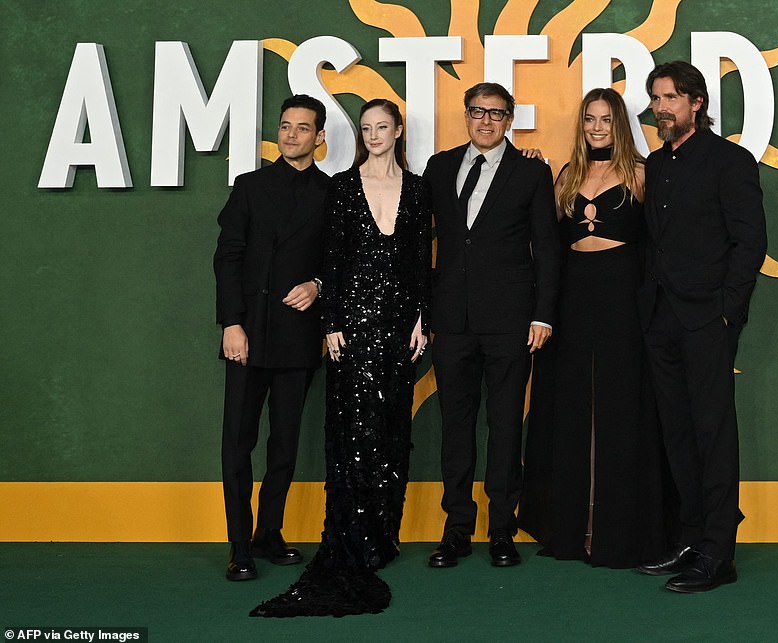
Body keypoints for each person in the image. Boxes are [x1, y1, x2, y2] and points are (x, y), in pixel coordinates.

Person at [251, 98, 432, 617]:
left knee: (391, 431)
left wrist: (422, 318)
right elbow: (330, 258)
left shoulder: (419, 189)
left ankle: (381, 538)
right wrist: (329, 322)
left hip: (400, 328)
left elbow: (421, 260)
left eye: (382, 127)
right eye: (366, 128)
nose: (373, 135)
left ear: (398, 131)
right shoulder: (342, 188)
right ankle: (351, 538)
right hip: (350, 328)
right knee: (352, 434)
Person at [519, 88, 666, 568]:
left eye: (606, 119)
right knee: (571, 407)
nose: (597, 127)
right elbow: (548, 241)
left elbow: (658, 246)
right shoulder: (567, 175)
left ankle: (617, 534)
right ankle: (571, 530)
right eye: (589, 119)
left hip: (624, 298)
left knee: (622, 409)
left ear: (619, 123)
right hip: (573, 299)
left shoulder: (643, 174)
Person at [635, 61, 767, 592]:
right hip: (662, 317)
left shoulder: (731, 161)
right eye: (655, 99)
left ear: (696, 102)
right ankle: (691, 539)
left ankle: (719, 553)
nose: (661, 108)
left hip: (707, 318)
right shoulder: (656, 163)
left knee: (713, 432)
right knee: (678, 430)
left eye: (670, 98)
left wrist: (727, 310)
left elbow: (749, 241)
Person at [422, 82, 561, 568]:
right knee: (455, 428)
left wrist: (543, 313)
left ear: (510, 119)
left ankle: (502, 529)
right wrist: (423, 313)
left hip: (511, 323)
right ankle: (456, 529)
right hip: (451, 323)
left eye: (496, 114)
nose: (486, 121)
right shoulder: (439, 168)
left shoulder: (532, 172)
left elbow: (546, 249)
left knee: (504, 428)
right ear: (466, 115)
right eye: (478, 112)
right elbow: (421, 248)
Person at [213, 94, 329, 582]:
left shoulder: (334, 193)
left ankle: (270, 534)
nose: (291, 135)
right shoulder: (249, 187)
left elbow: (342, 261)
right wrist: (231, 324)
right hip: (248, 333)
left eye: (303, 128)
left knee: (284, 445)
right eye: (285, 126)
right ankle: (239, 545)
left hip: (297, 337)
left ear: (319, 138)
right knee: (237, 443)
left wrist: (319, 285)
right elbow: (227, 258)